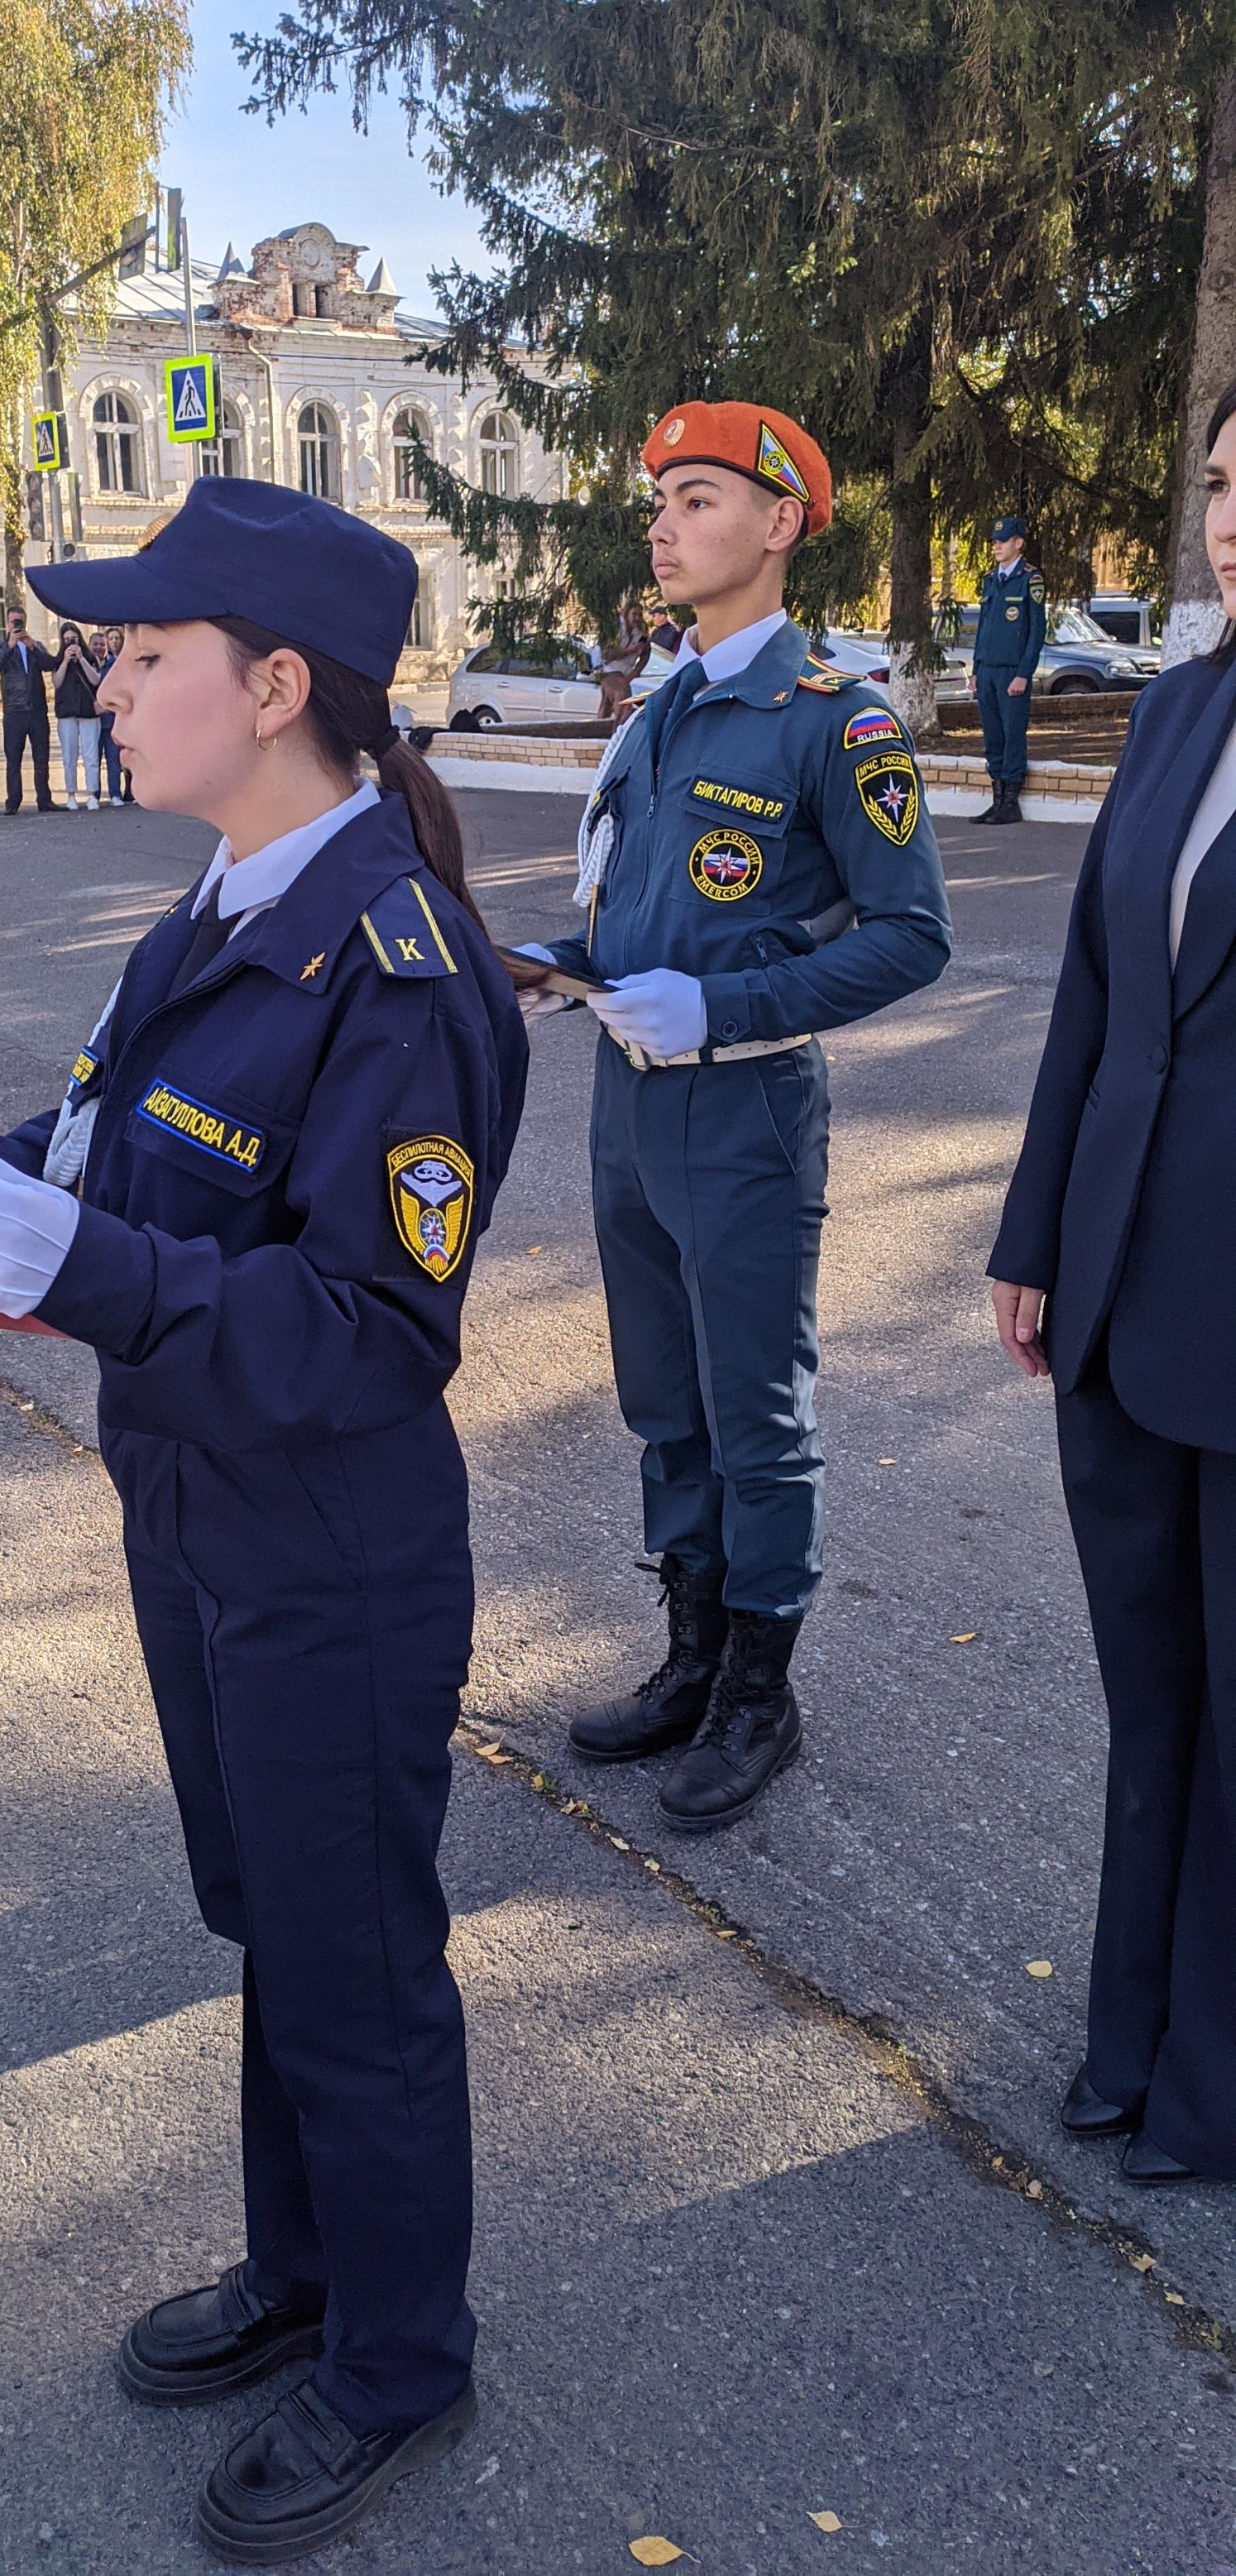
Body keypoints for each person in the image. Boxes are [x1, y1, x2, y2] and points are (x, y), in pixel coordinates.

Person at [0, 480, 527, 2561]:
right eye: (107, 652)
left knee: (354, 1963)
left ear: (274, 687)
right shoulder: (216, 900)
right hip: (192, 1505)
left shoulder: (398, 958)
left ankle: (397, 2353)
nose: (99, 684)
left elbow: (371, 1327)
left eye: (141, 654)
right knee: (273, 1921)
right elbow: (96, 1148)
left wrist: (76, 1267)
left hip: (329, 1551)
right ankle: (306, 2270)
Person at [517, 401, 952, 1831]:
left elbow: (909, 936)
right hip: (627, 1110)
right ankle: (693, 1656)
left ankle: (764, 1693)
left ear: (781, 524)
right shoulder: (659, 711)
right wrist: (564, 968)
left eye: (699, 497)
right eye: (660, 497)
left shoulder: (836, 719)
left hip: (746, 1109)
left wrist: (729, 1010)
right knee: (665, 1402)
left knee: (757, 1415)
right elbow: (634, 903)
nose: (664, 521)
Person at [989, 377, 1236, 2188]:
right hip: (1123, 1290)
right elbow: (1093, 992)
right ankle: (1128, 2029)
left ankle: (1216, 2087)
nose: (1231, 515)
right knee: (1154, 1690)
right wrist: (1031, 1235)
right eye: (1220, 480)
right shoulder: (1175, 713)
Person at [971, 513, 1047, 826]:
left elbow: (1036, 631)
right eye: (994, 541)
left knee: (1012, 735)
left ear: (1019, 543)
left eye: (1003, 541)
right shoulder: (991, 580)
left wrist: (1023, 674)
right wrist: (976, 668)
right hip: (987, 671)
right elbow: (983, 627)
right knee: (993, 736)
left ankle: (1010, 802)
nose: (996, 546)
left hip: (1012, 673)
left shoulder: (1030, 579)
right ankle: (997, 799)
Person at [0, 605, 55, 813]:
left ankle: (44, 800)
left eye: (20, 622)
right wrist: (10, 645)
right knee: (13, 759)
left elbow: (49, 663)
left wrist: (32, 646)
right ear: (7, 624)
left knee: (41, 758)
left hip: (37, 710)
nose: (17, 625)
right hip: (14, 711)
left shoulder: (35, 645)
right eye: (13, 622)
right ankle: (13, 801)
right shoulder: (0, 646)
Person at [47, 621, 103, 807]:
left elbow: (96, 680)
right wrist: (65, 660)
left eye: (73, 638)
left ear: (79, 638)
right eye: (67, 640)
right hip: (67, 713)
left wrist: (81, 659)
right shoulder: (58, 660)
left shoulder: (89, 657)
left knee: (91, 755)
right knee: (69, 756)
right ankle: (71, 794)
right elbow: (57, 682)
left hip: (88, 712)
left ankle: (92, 794)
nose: (71, 643)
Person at [97, 626, 133, 802]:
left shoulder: (128, 662)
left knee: (123, 755)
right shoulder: (102, 663)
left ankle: (125, 790)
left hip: (122, 715)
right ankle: (103, 793)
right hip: (103, 717)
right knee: (106, 756)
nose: (114, 642)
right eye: (110, 639)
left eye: (117, 638)